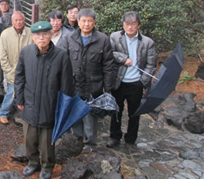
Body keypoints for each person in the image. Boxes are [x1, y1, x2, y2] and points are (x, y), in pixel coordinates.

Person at [14, 21, 74, 179]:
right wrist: (19, 97)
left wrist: (63, 109)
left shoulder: (61, 56)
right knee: (30, 138)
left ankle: (47, 166)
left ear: (52, 34)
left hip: (50, 105)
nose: (41, 38)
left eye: (45, 34)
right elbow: (19, 77)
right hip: (30, 103)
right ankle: (33, 163)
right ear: (32, 36)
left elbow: (67, 86)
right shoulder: (26, 52)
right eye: (38, 35)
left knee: (48, 141)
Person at [60, 8, 115, 145]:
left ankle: (90, 145)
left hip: (93, 87)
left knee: (90, 120)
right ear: (78, 22)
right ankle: (77, 144)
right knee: (74, 118)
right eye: (83, 21)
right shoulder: (69, 38)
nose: (86, 24)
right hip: (73, 87)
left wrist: (108, 89)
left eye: (89, 21)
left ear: (94, 22)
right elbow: (61, 62)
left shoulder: (103, 40)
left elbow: (108, 65)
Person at [106, 11, 157, 148]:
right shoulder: (115, 37)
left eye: (133, 24)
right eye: (127, 24)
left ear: (138, 25)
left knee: (134, 113)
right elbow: (109, 53)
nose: (130, 27)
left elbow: (151, 65)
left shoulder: (147, 42)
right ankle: (115, 136)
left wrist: (142, 82)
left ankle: (131, 138)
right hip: (119, 81)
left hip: (136, 83)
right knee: (116, 110)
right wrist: (123, 59)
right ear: (123, 24)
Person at [0, 11, 33, 125]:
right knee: (12, 92)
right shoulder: (5, 34)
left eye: (20, 19)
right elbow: (2, 56)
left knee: (27, 92)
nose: (18, 22)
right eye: (16, 20)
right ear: (12, 21)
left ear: (24, 20)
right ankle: (3, 113)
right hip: (12, 70)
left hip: (28, 70)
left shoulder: (30, 32)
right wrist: (8, 70)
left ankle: (25, 114)